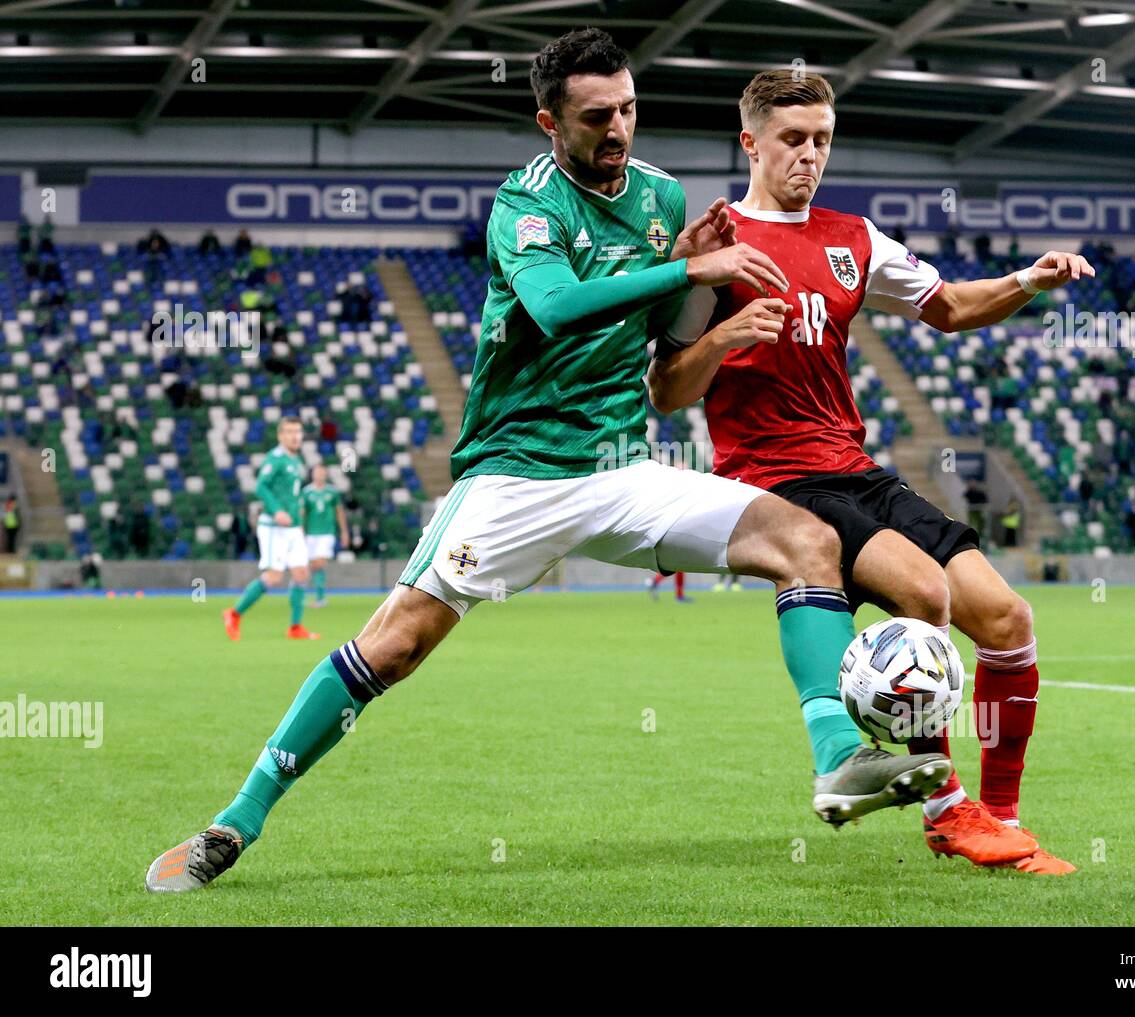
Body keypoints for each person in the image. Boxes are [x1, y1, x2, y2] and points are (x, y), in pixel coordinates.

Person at [146, 29, 953, 893]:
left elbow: (665, 333)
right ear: (550, 122)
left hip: (623, 468)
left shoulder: (660, 196)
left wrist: (686, 271)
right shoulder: (525, 203)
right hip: (517, 473)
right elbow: (559, 305)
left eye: (629, 109)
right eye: (597, 116)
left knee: (806, 539)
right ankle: (239, 816)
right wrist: (688, 269)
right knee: (397, 643)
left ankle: (837, 756)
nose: (619, 129)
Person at [650, 69, 1095, 875]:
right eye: (792, 139)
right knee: (925, 592)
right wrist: (724, 334)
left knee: (1008, 620)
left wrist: (1028, 280)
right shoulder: (715, 245)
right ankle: (946, 809)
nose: (809, 155)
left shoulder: (853, 237)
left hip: (854, 467)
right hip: (776, 480)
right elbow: (667, 389)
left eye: (822, 140)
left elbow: (950, 307)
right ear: (750, 142)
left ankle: (1002, 819)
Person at [222, 417, 319, 642]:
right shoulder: (275, 458)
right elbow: (261, 487)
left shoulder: (296, 460)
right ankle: (234, 613)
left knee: (301, 574)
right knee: (274, 576)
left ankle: (295, 627)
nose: (295, 436)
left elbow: (294, 495)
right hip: (274, 527)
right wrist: (276, 511)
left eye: (298, 431)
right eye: (290, 432)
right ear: (280, 435)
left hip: (293, 527)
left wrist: (298, 521)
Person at [303, 464, 350, 607]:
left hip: (327, 533)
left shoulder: (332, 492)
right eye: (317, 472)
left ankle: (318, 597)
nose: (319, 475)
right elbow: (302, 513)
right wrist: (300, 532)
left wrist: (344, 532)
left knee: (319, 562)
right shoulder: (306, 492)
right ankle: (318, 596)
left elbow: (339, 512)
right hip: (311, 533)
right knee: (314, 564)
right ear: (313, 474)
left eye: (322, 472)